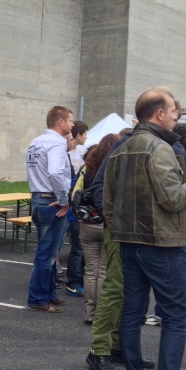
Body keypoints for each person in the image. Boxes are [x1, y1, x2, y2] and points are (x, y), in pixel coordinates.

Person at [104, 88, 186, 370]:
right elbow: (172, 198)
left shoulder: (120, 149)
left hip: (128, 242)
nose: (176, 113)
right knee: (176, 318)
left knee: (132, 314)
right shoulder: (159, 147)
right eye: (173, 109)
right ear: (159, 114)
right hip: (162, 245)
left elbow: (107, 201)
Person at [145, 124, 186, 328]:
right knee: (183, 268)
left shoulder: (169, 160)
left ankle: (173, 314)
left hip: (176, 222)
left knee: (173, 268)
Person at [25, 106, 73, 312]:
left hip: (38, 198)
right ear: (60, 122)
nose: (72, 125)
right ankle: (37, 299)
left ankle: (50, 295)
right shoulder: (56, 143)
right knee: (47, 254)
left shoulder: (35, 142)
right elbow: (55, 172)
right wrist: (64, 199)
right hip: (51, 200)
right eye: (70, 121)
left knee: (50, 252)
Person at [78, 134, 119, 325]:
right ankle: (101, 315)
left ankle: (89, 313)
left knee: (90, 270)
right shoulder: (116, 167)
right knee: (104, 271)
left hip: (87, 222)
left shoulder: (89, 166)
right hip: (107, 222)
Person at [64, 125, 88, 297]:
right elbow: (70, 187)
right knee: (77, 250)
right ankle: (73, 283)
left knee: (80, 250)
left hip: (75, 211)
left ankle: (77, 281)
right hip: (75, 213)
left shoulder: (78, 158)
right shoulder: (67, 157)